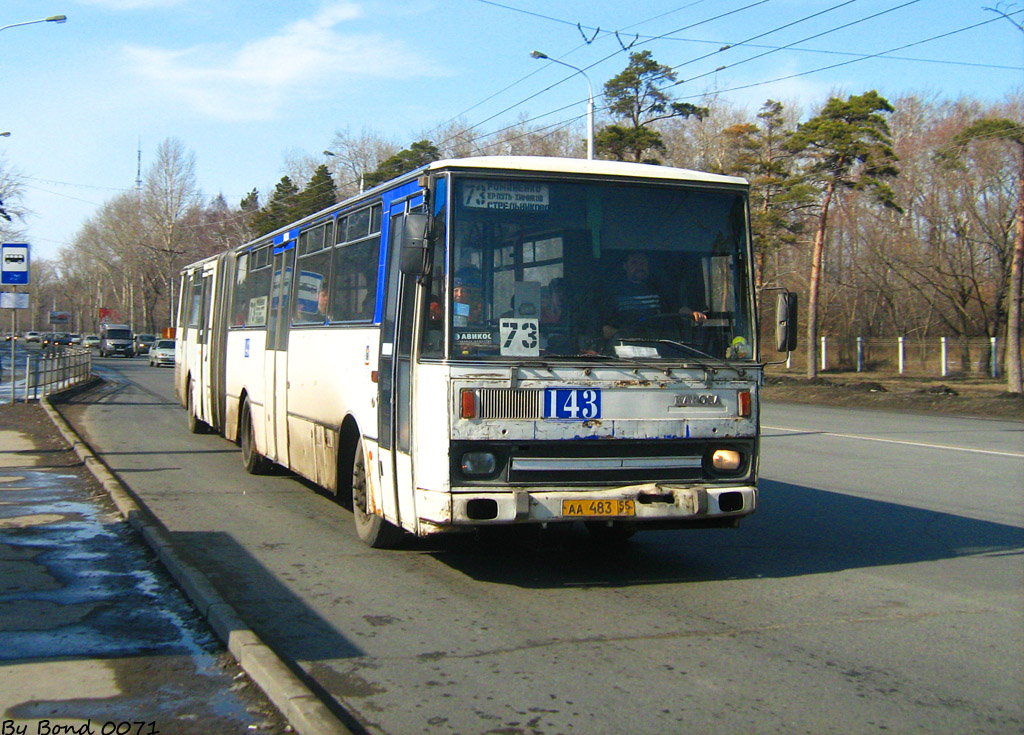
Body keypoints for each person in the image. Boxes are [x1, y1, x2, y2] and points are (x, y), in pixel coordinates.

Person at [602, 252, 706, 340]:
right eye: (634, 263)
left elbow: (675, 308)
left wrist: (692, 314)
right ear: (625, 266)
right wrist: (619, 333)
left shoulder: (658, 288)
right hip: (626, 347)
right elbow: (605, 327)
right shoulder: (614, 292)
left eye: (642, 264)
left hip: (656, 342)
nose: (639, 267)